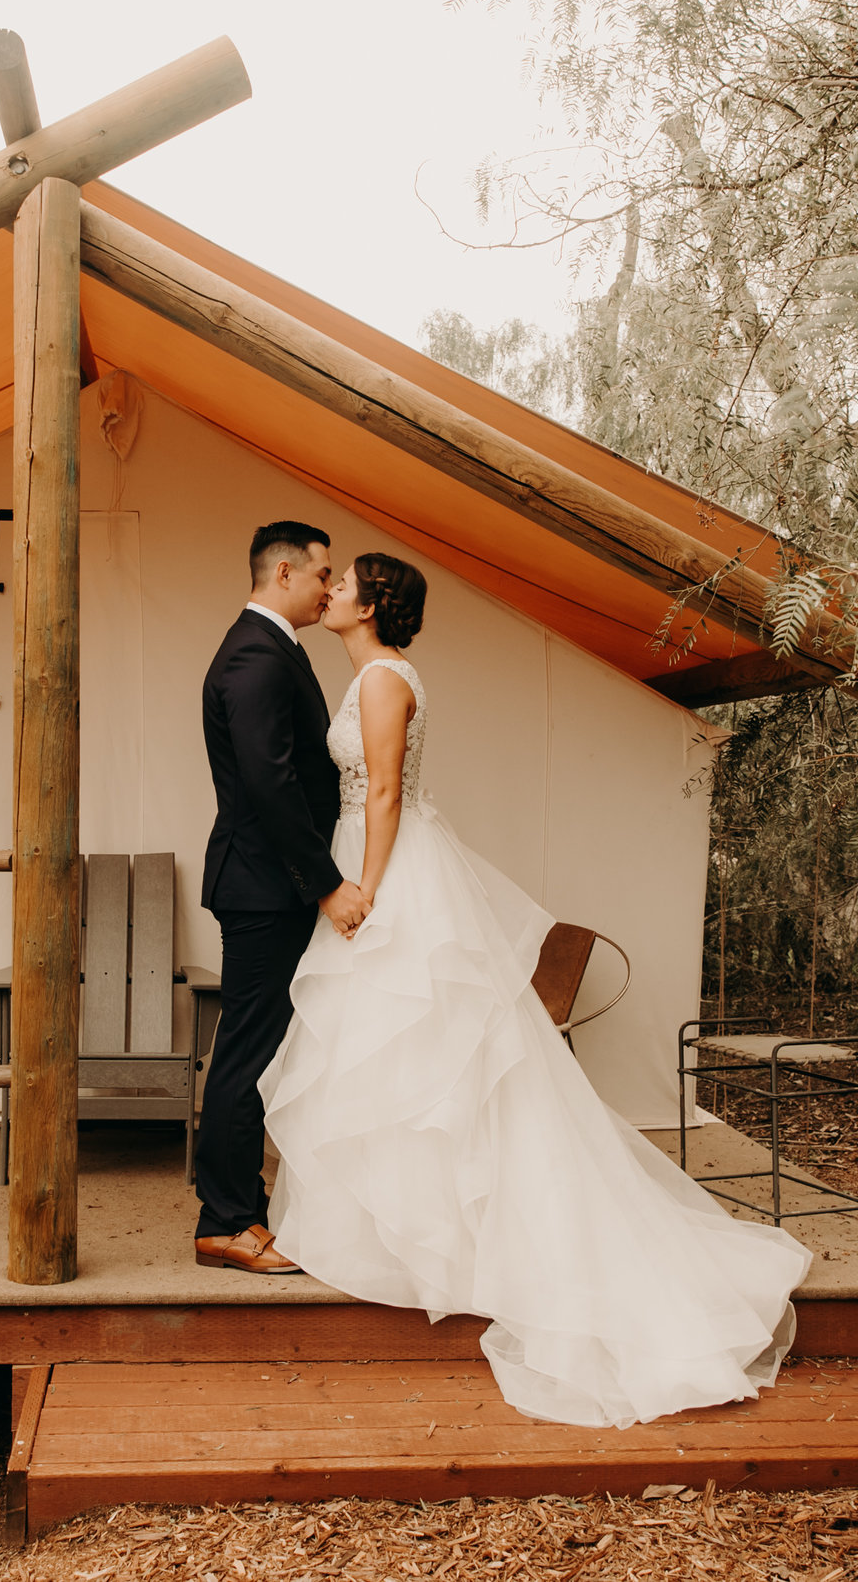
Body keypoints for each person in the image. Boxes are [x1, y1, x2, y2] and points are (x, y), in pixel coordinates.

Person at [256, 552, 813, 1427]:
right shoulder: (369, 675)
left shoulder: (385, 680)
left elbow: (388, 790)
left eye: (345, 582)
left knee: (420, 1043)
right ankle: (403, 1228)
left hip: (388, 869)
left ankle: (451, 1236)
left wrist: (364, 889)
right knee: (392, 1049)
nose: (330, 590)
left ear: (371, 604)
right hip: (373, 856)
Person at [192, 521, 371, 1275]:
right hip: (265, 887)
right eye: (324, 573)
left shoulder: (274, 647)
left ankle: (245, 1208)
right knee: (248, 1052)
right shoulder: (255, 656)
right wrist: (326, 885)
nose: (330, 587)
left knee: (263, 1048)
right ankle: (226, 1221)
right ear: (286, 572)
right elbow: (272, 785)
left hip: (271, 883)